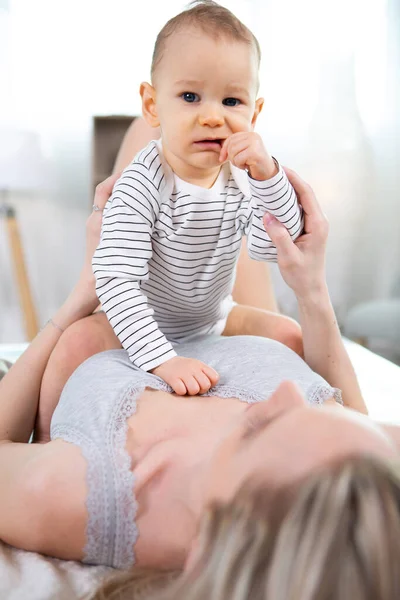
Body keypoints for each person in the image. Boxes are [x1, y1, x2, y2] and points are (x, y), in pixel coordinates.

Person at [0, 163, 379, 581]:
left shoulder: (88, 496)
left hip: (120, 325)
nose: (290, 394)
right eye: (315, 415)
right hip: (235, 323)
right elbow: (359, 420)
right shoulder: (354, 494)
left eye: (272, 429)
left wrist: (84, 291)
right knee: (213, 138)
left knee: (177, 131)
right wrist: (310, 287)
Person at [92, 1, 304, 395]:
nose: (212, 117)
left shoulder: (243, 176)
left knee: (289, 333)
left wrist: (268, 175)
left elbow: (273, 247)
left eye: (231, 101)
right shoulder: (142, 182)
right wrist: (163, 359)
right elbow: (115, 279)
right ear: (153, 105)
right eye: (190, 97)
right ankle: (51, 438)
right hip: (142, 321)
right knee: (75, 343)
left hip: (214, 320)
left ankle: (291, 426)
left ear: (254, 113)